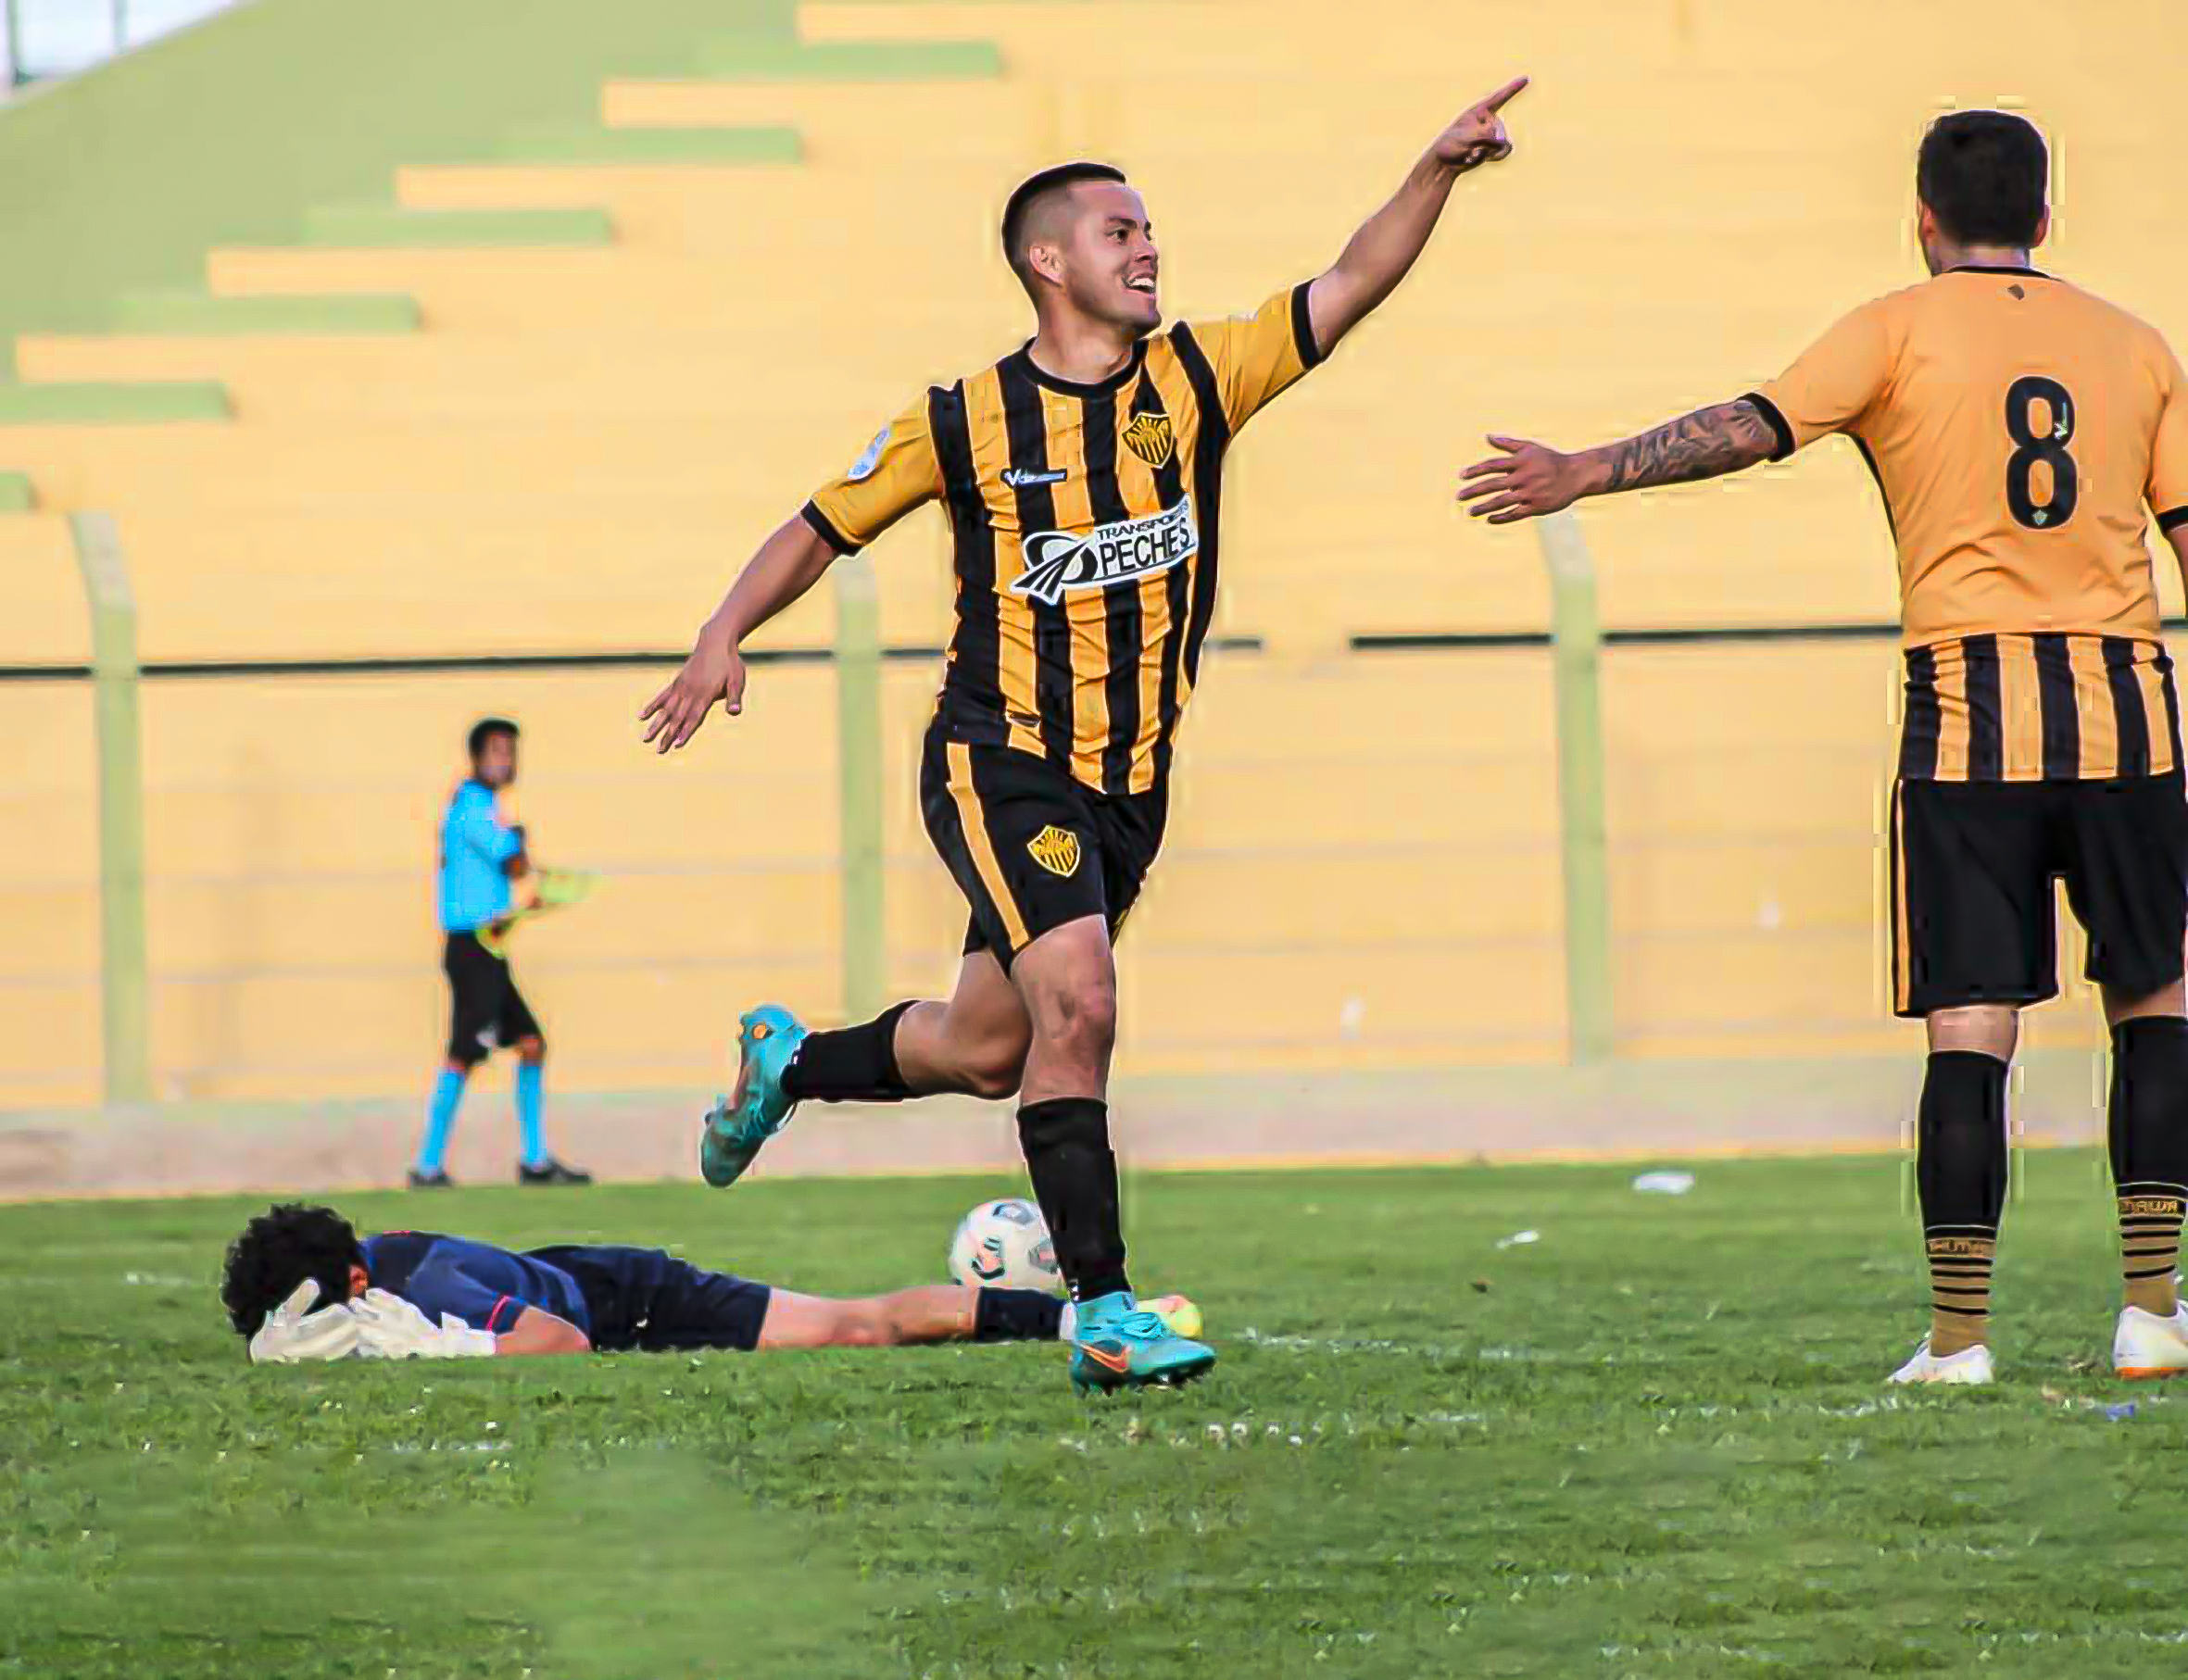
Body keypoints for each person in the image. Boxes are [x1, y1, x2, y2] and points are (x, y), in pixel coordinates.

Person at [640, 78, 1529, 1393]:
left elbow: (1350, 281)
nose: (1148, 248)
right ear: (1047, 262)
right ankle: (1106, 1313)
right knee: (1085, 1000)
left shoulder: (1198, 376)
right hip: (999, 755)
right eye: (1121, 232)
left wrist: (1435, 170)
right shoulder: (964, 418)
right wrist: (724, 629)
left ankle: (791, 1062)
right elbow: (819, 525)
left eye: (1149, 229)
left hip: (1130, 785)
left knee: (987, 1047)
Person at [1457, 110, 2188, 1386]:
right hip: (2124, 706)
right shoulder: (2136, 346)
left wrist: (1584, 469)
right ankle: (2151, 1315)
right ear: (2044, 215)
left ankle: (1958, 1339)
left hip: (1966, 717)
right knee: (2156, 1003)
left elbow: (1745, 426)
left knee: (1970, 1028)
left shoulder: (1892, 329)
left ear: (1922, 219)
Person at [222, 1202, 1200, 1364]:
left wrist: (441, 1355)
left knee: (855, 1326)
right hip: (573, 1273)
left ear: (356, 1278)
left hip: (635, 1298)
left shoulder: (422, 1283)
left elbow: (556, 1344)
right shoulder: (372, 1272)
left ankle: (1076, 1319)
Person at [412, 717, 590, 1189]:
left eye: (511, 751)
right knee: (463, 1053)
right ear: (476, 757)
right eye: (497, 751)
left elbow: (501, 884)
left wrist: (526, 903)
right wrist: (521, 843)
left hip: (486, 947)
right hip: (473, 951)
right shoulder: (474, 806)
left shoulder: (480, 805)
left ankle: (535, 1161)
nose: (507, 761)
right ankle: (426, 1167)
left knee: (531, 1044)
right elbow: (513, 863)